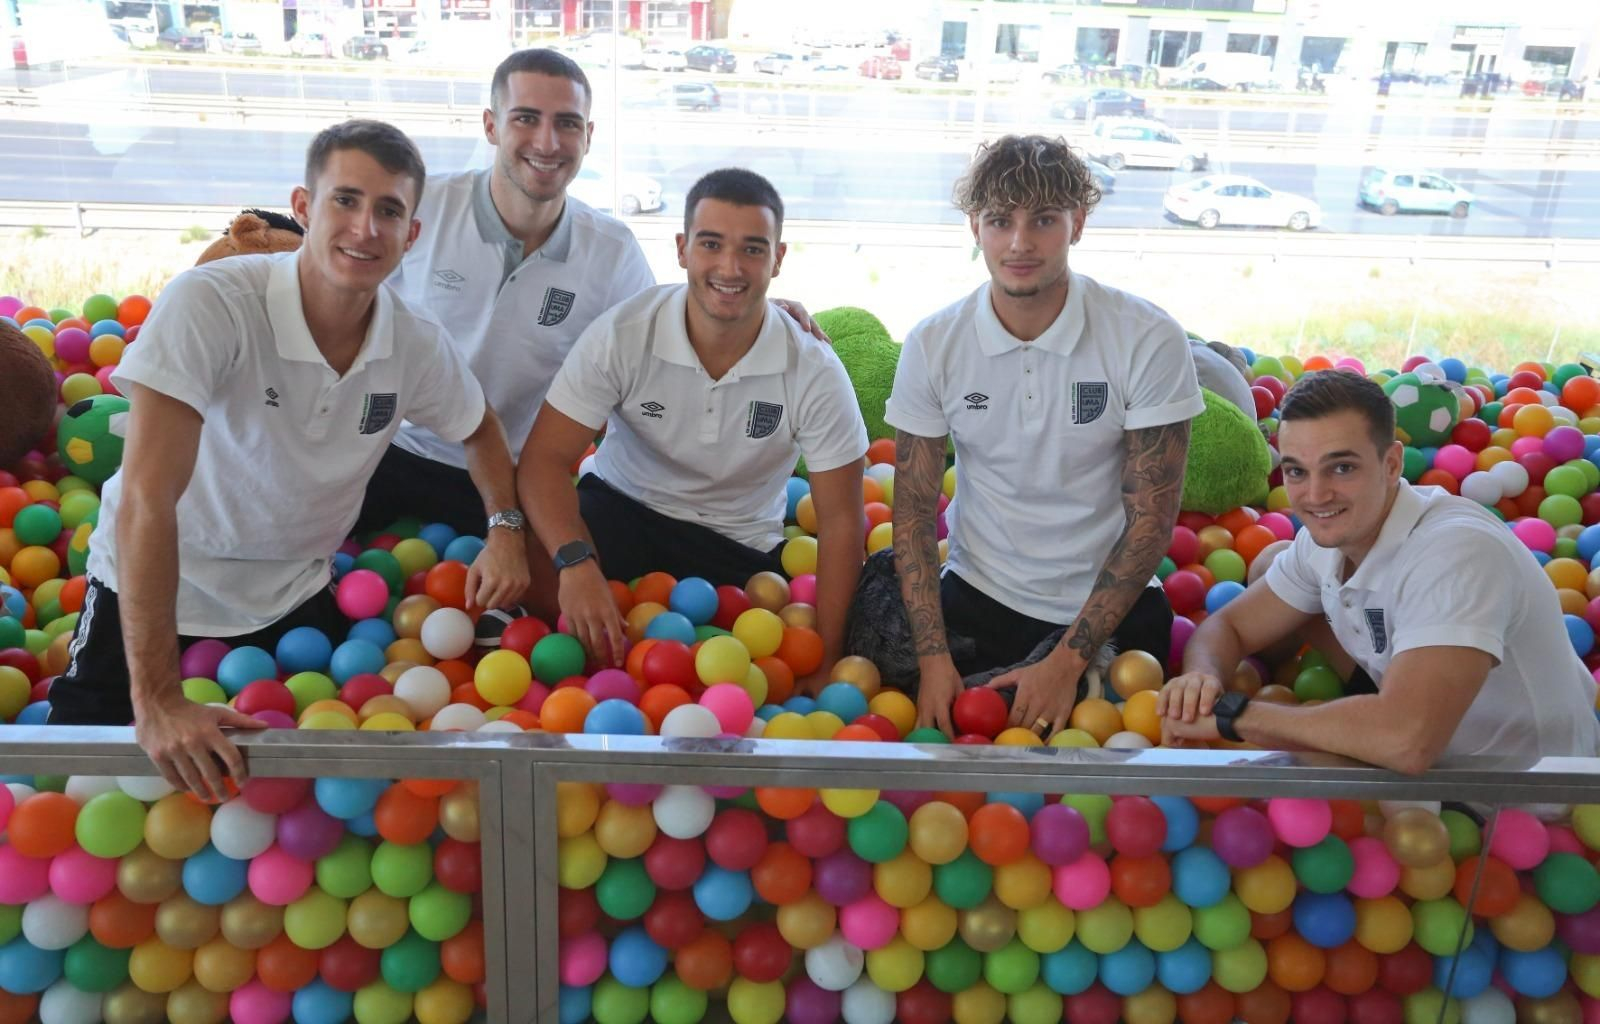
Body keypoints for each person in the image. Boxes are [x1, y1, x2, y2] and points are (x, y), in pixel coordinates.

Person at [48, 120, 530, 801]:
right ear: (303, 208)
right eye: (346, 201)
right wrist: (157, 699)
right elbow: (148, 499)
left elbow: (479, 428)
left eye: (388, 211)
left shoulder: (413, 342)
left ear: (410, 236)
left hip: (293, 592)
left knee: (328, 796)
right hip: (152, 587)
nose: (365, 228)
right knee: (71, 787)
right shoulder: (213, 304)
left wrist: (506, 530)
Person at [357, 48, 825, 614]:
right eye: (526, 118)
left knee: (511, 611)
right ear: (490, 125)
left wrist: (757, 301)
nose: (547, 142)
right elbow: (333, 266)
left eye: (567, 123)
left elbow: (678, 323)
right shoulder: (422, 208)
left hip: (508, 476)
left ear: (588, 135)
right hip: (390, 445)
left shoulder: (611, 253)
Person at [852, 134, 1204, 738]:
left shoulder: (1146, 337)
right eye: (1000, 220)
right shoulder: (935, 343)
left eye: (1043, 219)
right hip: (978, 592)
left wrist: (1067, 661)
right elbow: (911, 511)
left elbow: (1152, 518)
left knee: (1106, 727)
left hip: (1107, 608)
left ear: (1078, 223)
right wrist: (934, 660)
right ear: (974, 227)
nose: (1019, 243)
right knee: (895, 668)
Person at [518, 169, 868, 693]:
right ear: (682, 249)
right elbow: (543, 459)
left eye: (753, 249)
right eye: (711, 244)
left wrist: (827, 657)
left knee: (746, 668)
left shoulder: (812, 367)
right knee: (526, 565)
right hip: (621, 505)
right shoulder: (624, 333)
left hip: (735, 541)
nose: (730, 267)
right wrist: (577, 564)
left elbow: (842, 520)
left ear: (778, 258)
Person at [1158, 370, 1600, 772]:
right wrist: (1202, 681)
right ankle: (1361, 715)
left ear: (1392, 464)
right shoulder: (1324, 538)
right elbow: (1229, 626)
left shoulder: (1458, 553)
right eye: (1296, 471)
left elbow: (1407, 742)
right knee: (1275, 562)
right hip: (1415, 743)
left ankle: (1363, 718)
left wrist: (1236, 717)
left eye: (1342, 467)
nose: (1315, 495)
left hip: (1521, 799)